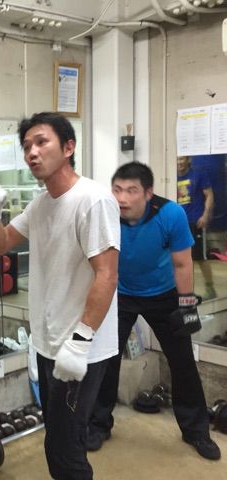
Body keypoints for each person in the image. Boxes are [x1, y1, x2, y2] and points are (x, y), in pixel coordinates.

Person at [0, 112, 120, 480]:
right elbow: (0, 245)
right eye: (27, 145)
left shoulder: (93, 199)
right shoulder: (41, 204)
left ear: (69, 147)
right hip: (49, 342)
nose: (32, 152)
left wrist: (81, 340)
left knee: (65, 450)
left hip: (80, 345)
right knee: (58, 440)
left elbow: (107, 274)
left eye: (41, 142)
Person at [87, 161, 221, 461]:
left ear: (148, 193)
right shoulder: (105, 213)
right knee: (105, 361)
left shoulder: (170, 214)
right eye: (117, 189)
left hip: (163, 294)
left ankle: (196, 431)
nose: (122, 198)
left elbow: (182, 264)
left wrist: (187, 306)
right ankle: (98, 424)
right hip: (119, 294)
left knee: (182, 362)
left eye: (131, 190)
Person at [177, 155, 216, 299]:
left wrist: (205, 215)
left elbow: (209, 195)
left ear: (188, 160)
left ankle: (210, 289)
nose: (179, 162)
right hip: (178, 223)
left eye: (182, 159)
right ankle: (186, 291)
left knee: (200, 257)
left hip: (195, 222)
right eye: (177, 159)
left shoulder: (198, 174)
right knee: (181, 259)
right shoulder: (171, 176)